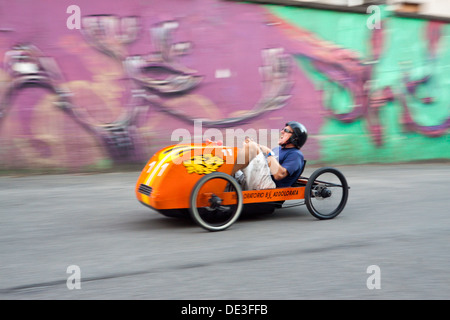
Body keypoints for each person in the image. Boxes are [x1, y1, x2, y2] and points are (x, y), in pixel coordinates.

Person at [232, 121, 307, 190]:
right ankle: (224, 177)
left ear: (295, 138)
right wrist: (253, 147)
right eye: (283, 129)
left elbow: (279, 175)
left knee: (252, 147)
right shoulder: (277, 149)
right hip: (257, 179)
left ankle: (227, 172)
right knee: (233, 152)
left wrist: (268, 152)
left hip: (269, 186)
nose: (282, 131)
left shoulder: (296, 154)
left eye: (286, 131)